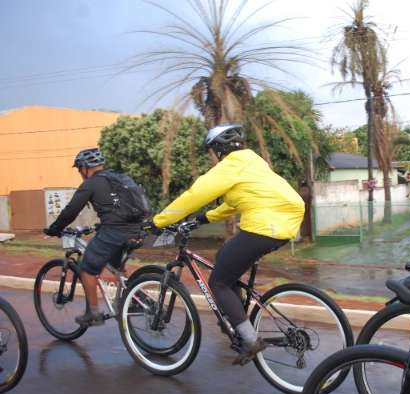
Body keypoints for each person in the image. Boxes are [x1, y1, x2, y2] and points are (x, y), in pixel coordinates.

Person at [152, 123, 305, 365]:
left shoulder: (230, 165)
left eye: (213, 152)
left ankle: (250, 339)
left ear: (218, 150)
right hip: (284, 222)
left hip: (265, 225)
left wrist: (159, 221)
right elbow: (236, 202)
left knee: (219, 282)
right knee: (225, 257)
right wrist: (203, 218)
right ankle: (237, 317)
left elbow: (195, 195)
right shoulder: (253, 162)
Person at [44, 148, 145, 326]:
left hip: (115, 231)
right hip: (137, 229)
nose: (80, 173)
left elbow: (71, 211)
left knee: (87, 268)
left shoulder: (91, 184)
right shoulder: (120, 178)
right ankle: (134, 299)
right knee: (116, 266)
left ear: (84, 168)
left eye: (79, 169)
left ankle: (93, 313)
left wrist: (54, 228)